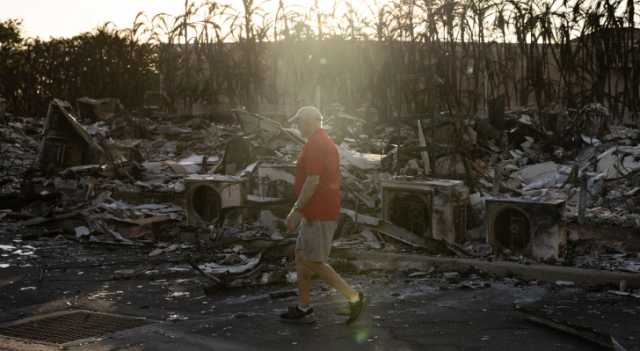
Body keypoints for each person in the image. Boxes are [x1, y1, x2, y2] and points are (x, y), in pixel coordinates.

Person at [280, 106, 365, 324]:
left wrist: (296, 210)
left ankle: (354, 297)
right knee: (301, 257)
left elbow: (313, 180)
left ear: (309, 122)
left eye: (299, 122)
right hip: (314, 210)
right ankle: (304, 306)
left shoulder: (317, 143)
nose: (297, 127)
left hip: (318, 211)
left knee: (314, 261)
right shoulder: (318, 141)